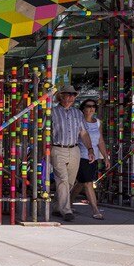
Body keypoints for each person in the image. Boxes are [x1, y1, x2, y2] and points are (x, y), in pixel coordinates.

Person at [50, 83, 94, 222]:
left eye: (73, 94)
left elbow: (83, 133)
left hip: (74, 149)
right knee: (62, 179)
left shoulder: (77, 113)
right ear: (61, 96)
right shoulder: (52, 112)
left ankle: (57, 206)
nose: (71, 97)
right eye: (68, 94)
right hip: (57, 148)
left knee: (69, 181)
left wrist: (90, 149)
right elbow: (45, 133)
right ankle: (66, 209)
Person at [76, 99, 109, 220]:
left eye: (94, 106)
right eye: (88, 106)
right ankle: (95, 209)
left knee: (81, 182)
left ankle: (67, 201)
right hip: (81, 155)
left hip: (93, 156)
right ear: (83, 108)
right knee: (88, 182)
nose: (91, 109)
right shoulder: (79, 121)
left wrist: (105, 157)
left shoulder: (98, 122)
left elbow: (100, 140)